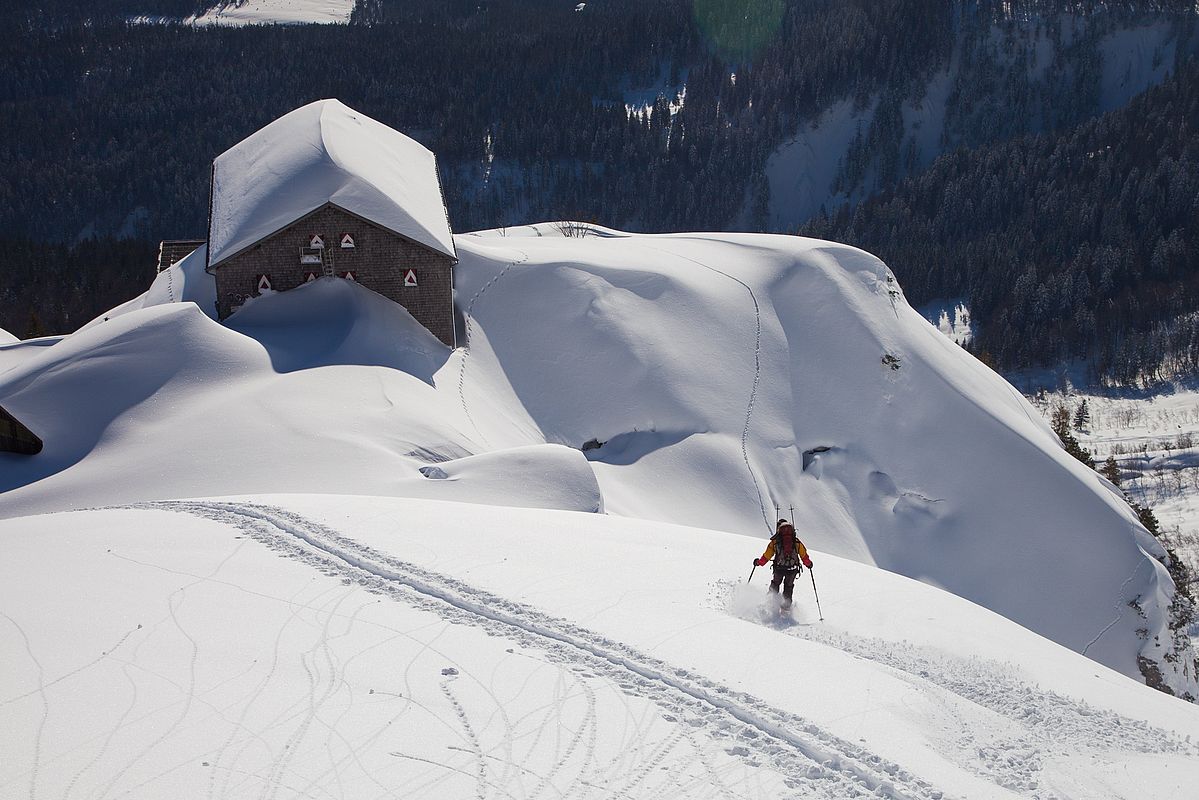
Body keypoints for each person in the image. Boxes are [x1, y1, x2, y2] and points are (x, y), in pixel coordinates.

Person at [753, 519, 813, 610]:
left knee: (775, 584)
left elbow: (766, 556)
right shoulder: (796, 541)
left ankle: (770, 603)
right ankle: (786, 608)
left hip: (779, 568)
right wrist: (808, 564)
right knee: (788, 587)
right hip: (792, 569)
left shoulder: (775, 542)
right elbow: (804, 555)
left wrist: (758, 562)